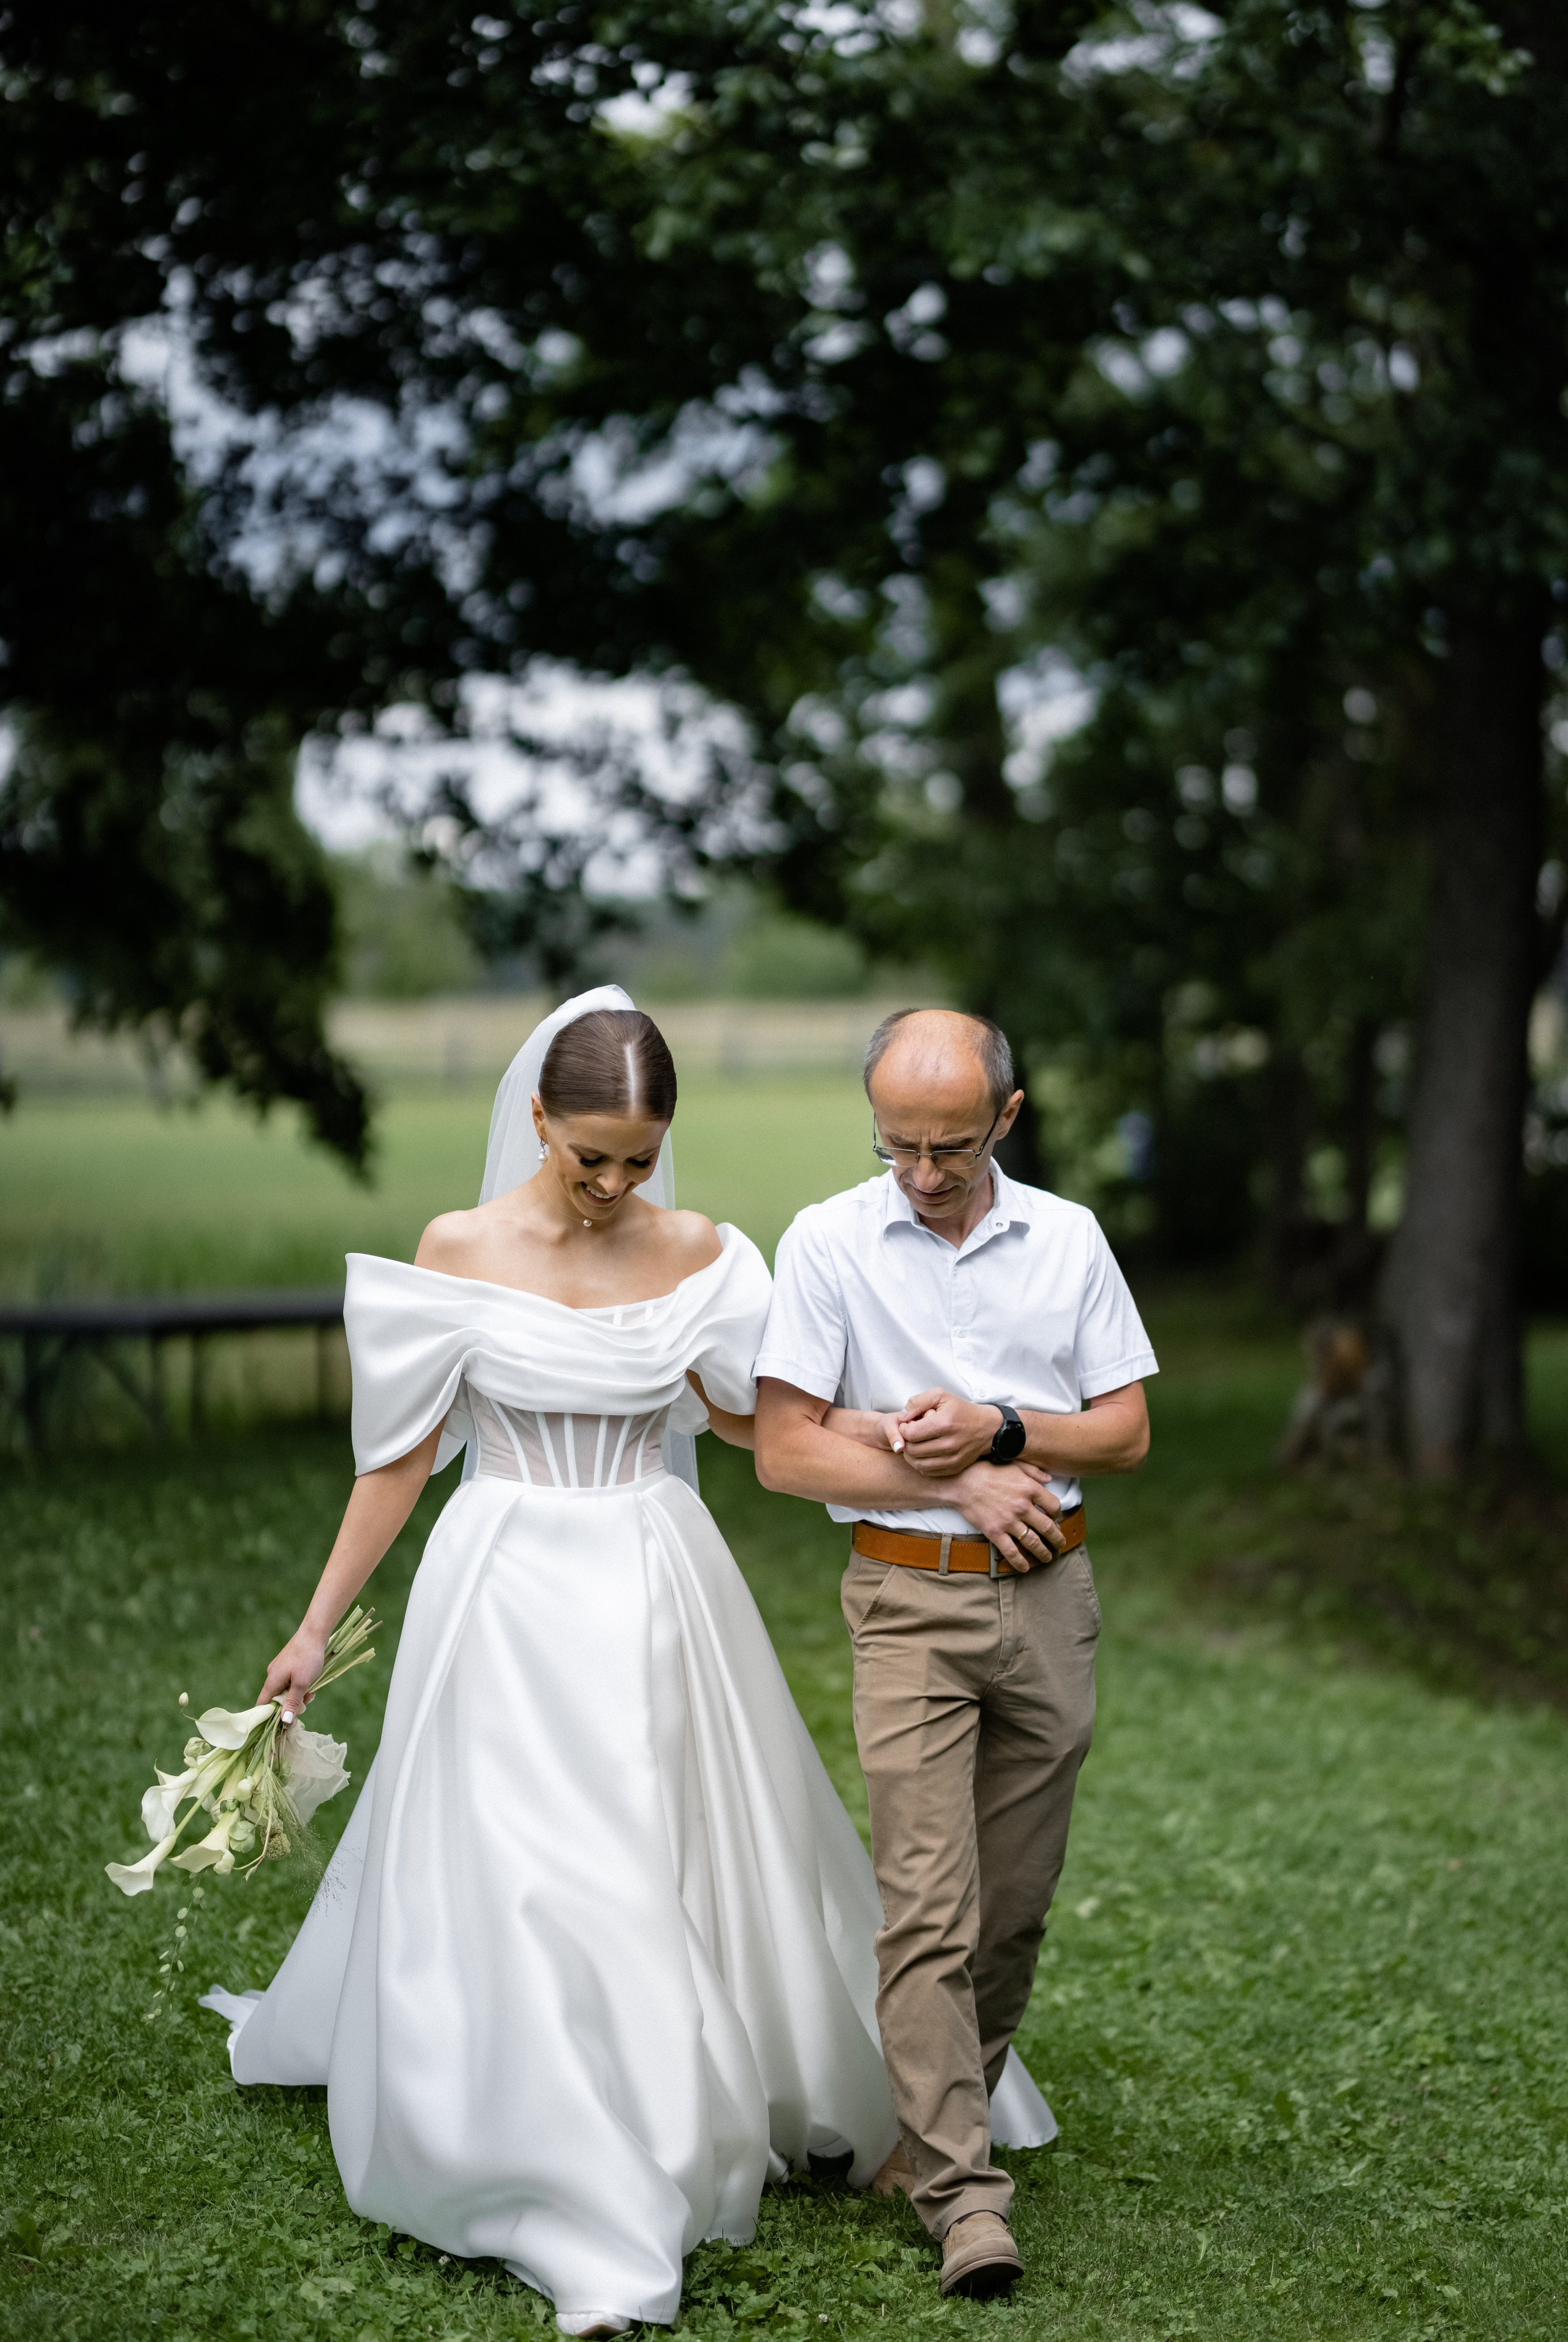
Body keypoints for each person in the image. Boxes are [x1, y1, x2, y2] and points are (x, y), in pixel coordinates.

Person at [201, 988, 899, 2340]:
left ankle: (682, 2099)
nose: (613, 1182)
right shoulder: (456, 1249)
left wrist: (909, 1453)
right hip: (504, 1579)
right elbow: (401, 1455)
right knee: (528, 1864)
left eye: (638, 1157)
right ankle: (564, 2161)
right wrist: (309, 1625)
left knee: (655, 1843)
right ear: (535, 1117)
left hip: (652, 1569)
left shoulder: (698, 1250)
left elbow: (758, 1427)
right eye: (590, 1154)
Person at [753, 1007, 1157, 2302]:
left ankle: (937, 2116)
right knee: (926, 1899)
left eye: (948, 1145)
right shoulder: (824, 1240)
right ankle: (961, 2194)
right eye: (896, 1144)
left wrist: (993, 1434)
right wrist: (959, 1486)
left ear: (1006, 1115)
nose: (921, 1171)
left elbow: (1124, 1430)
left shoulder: (1070, 1238)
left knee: (1013, 1904)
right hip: (905, 1600)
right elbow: (786, 1447)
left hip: (1051, 1596)